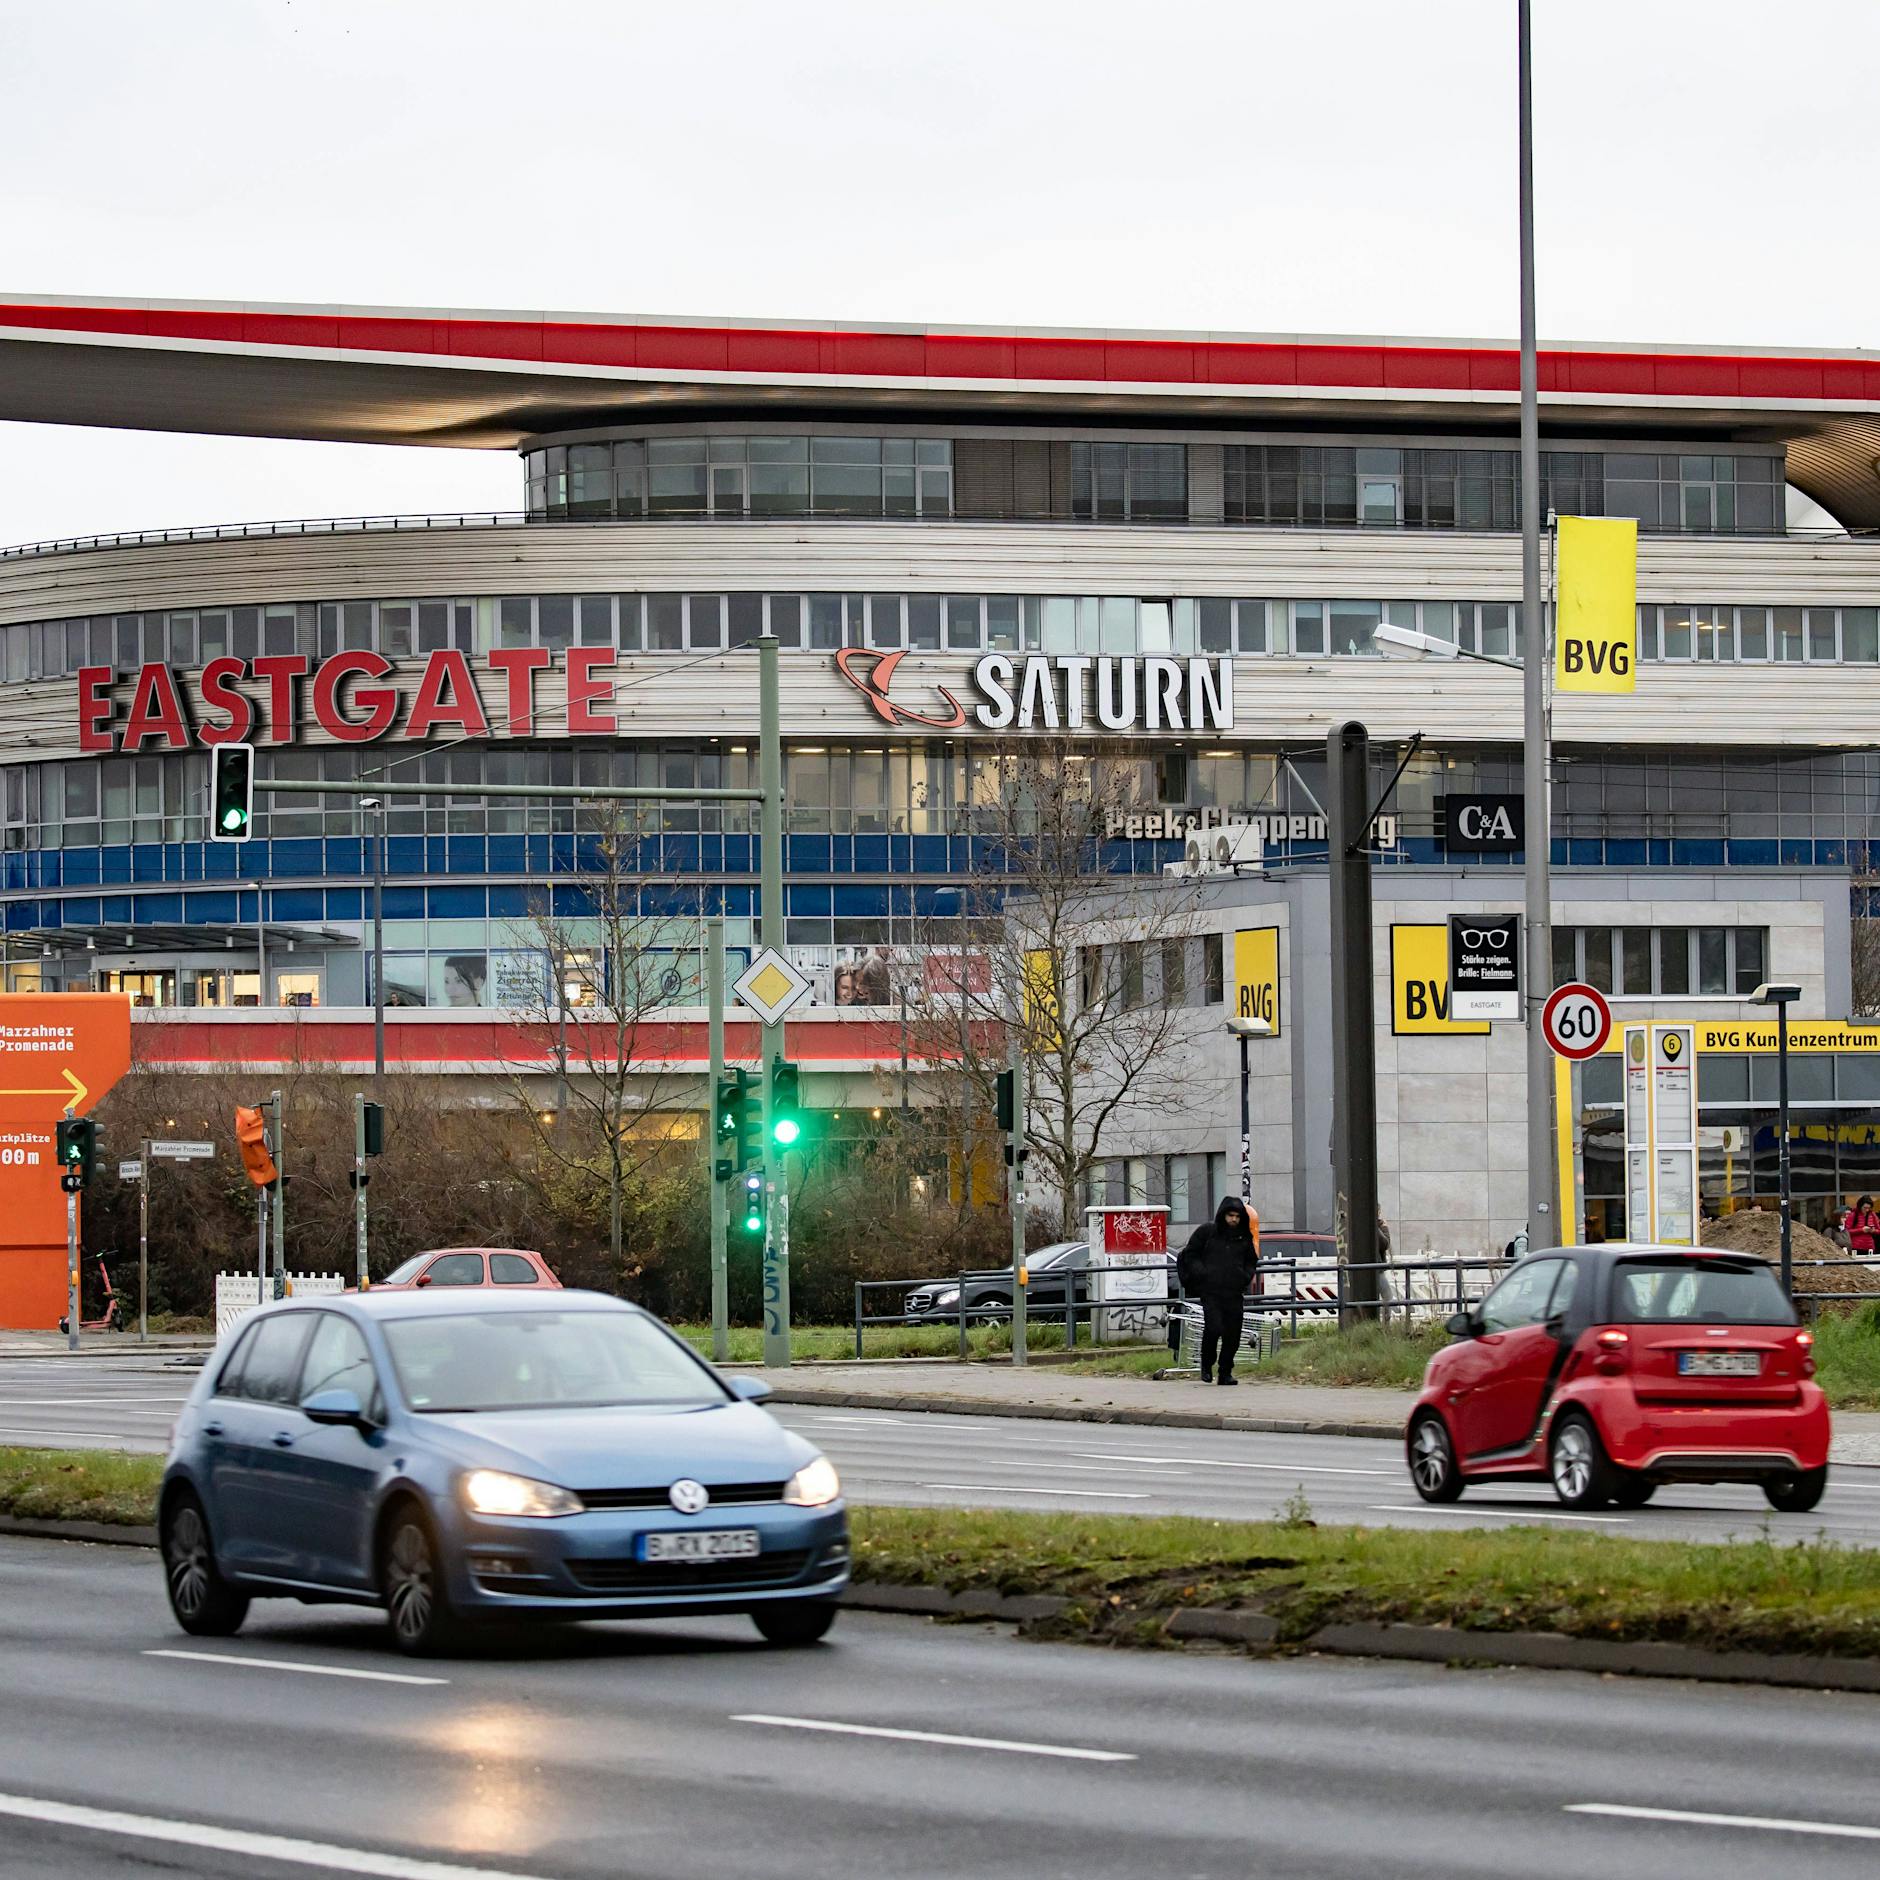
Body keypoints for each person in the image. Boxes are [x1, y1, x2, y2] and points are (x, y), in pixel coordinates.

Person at [1177, 1196, 1259, 1387]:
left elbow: (1251, 1261)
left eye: (1237, 1216)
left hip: (1234, 1291)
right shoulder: (1207, 1232)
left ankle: (1225, 1372)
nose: (1234, 1220)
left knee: (1233, 1334)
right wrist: (1202, 1273)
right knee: (1213, 1328)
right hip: (1211, 1291)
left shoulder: (1244, 1236)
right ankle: (1207, 1365)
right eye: (1231, 1215)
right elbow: (1190, 1253)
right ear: (1223, 1215)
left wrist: (1244, 1277)